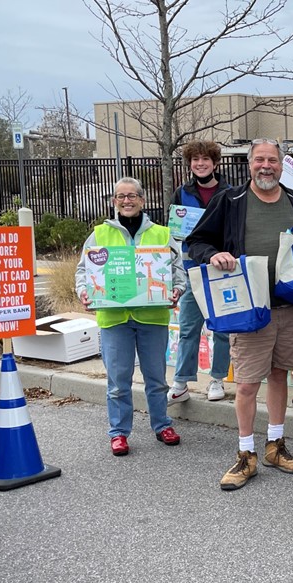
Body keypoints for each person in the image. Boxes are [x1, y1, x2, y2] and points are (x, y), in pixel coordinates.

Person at [186, 138, 293, 491]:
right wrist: (214, 255)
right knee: (248, 383)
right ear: (249, 164)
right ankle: (245, 453)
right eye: (260, 160)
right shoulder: (230, 201)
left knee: (280, 376)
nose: (266, 166)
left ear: (281, 165)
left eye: (273, 161)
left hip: (291, 307)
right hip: (249, 309)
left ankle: (275, 446)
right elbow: (197, 242)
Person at [76, 177, 185, 456]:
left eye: (132, 195)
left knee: (157, 378)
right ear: (114, 202)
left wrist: (178, 289)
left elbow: (177, 270)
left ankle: (162, 425)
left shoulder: (161, 233)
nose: (127, 201)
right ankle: (119, 433)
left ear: (142, 200)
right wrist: (83, 291)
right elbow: (83, 271)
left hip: (153, 317)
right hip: (115, 319)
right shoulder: (99, 234)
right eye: (121, 196)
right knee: (118, 380)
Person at [167, 140, 232, 406]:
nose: (200, 164)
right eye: (195, 160)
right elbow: (172, 231)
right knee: (189, 328)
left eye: (206, 159)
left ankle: (217, 379)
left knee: (222, 329)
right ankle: (181, 383)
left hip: (222, 269)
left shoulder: (231, 192)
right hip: (192, 268)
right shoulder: (181, 193)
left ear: (215, 163)